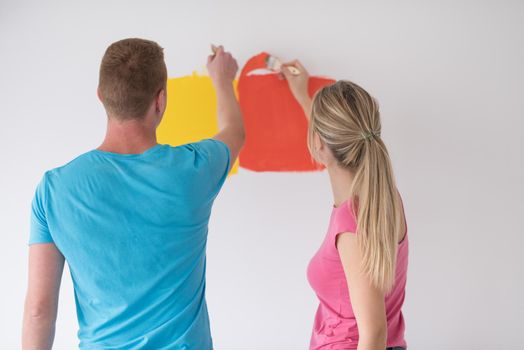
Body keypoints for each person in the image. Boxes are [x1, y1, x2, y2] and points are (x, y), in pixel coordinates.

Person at [22, 38, 244, 349]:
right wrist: (222, 79)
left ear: (101, 97)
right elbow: (234, 132)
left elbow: (39, 312)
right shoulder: (193, 169)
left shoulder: (54, 189)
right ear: (160, 100)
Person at [281, 61, 408, 350]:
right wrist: (303, 96)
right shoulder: (385, 198)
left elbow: (374, 333)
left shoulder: (351, 226)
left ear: (318, 142)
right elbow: (332, 142)